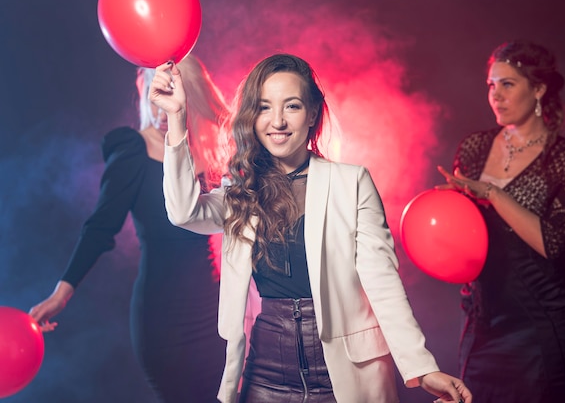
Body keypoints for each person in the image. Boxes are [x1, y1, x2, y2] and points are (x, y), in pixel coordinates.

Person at [150, 53, 472, 403]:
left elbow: (383, 282)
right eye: (263, 107)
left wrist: (422, 368)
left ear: (312, 113)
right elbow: (183, 211)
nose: (278, 121)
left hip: (345, 375)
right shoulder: (241, 192)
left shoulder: (352, 183)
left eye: (291, 107)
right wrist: (176, 116)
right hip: (265, 376)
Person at [29, 54, 229, 403]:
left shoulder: (206, 153)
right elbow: (99, 228)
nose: (165, 109)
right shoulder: (133, 152)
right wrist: (61, 294)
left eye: (176, 92)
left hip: (213, 312)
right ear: (144, 87)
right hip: (164, 319)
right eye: (158, 90)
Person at [437, 40, 565, 402]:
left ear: (538, 89)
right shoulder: (475, 146)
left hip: (541, 322)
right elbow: (464, 233)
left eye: (508, 84)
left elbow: (551, 244)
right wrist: (449, 207)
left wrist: (491, 194)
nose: (496, 95)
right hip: (482, 318)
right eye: (491, 85)